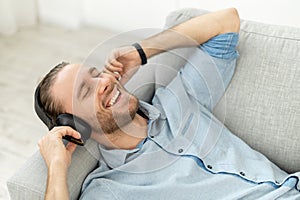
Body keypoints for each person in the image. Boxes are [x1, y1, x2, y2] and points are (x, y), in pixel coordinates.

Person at [37, 8, 300, 200]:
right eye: (86, 91)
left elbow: (226, 21)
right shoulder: (110, 190)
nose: (104, 81)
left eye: (95, 74)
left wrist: (141, 52)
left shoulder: (180, 98)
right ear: (75, 126)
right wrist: (57, 165)